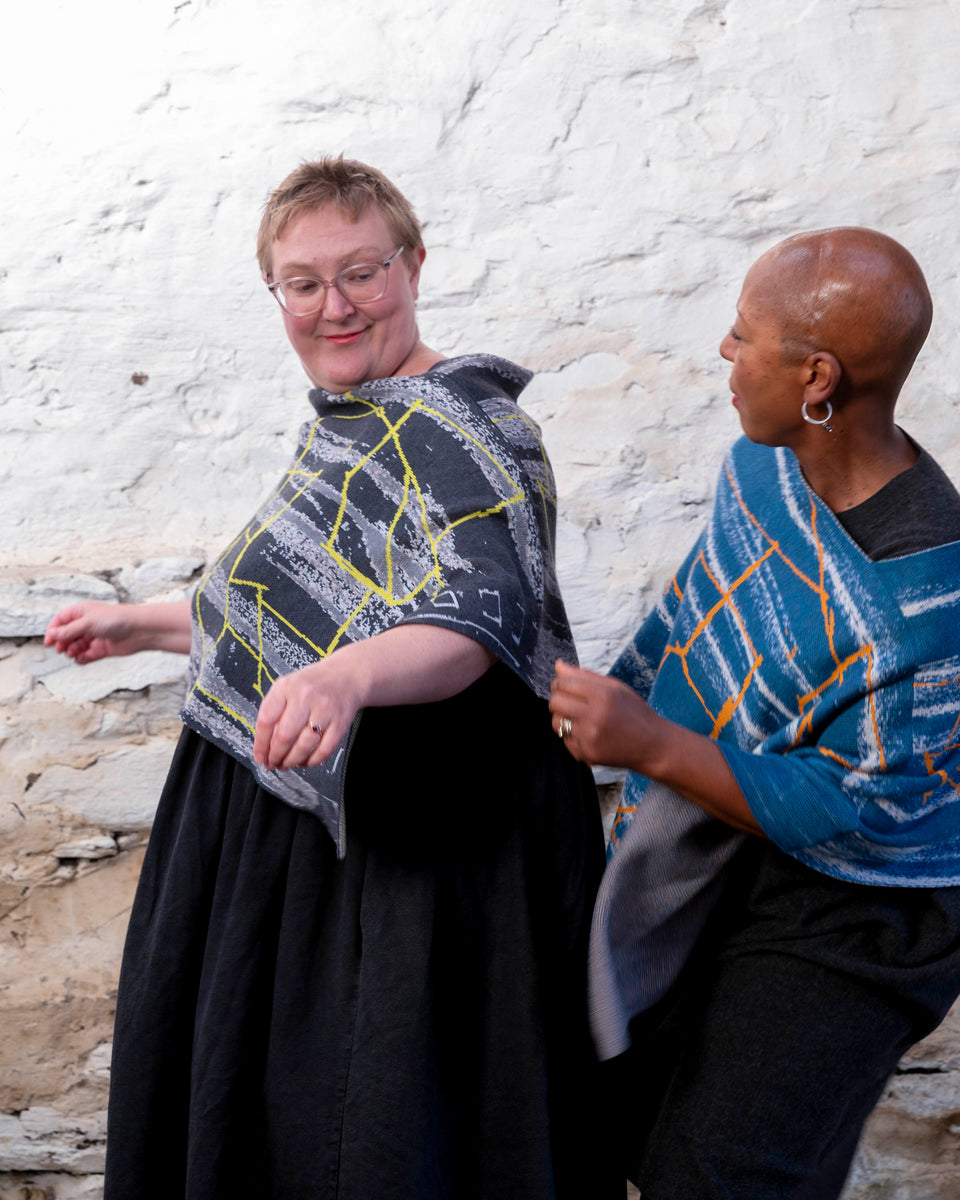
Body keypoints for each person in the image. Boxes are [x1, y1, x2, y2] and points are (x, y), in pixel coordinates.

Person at [46, 157, 615, 1200]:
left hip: (432, 840)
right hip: (301, 834)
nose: (334, 305)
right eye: (302, 283)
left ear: (414, 264)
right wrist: (144, 625)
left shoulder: (476, 428)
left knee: (393, 1118)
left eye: (362, 271)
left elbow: (477, 619)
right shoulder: (353, 427)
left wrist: (348, 680)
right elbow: (283, 611)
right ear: (276, 294)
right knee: (280, 1124)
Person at [549, 227, 960, 1199]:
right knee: (617, 1118)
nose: (724, 356)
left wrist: (650, 742)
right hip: (722, 849)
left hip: (863, 915)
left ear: (818, 376)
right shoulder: (765, 472)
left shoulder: (925, 599)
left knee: (727, 1175)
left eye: (744, 337)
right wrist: (598, 720)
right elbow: (698, 625)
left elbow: (861, 809)